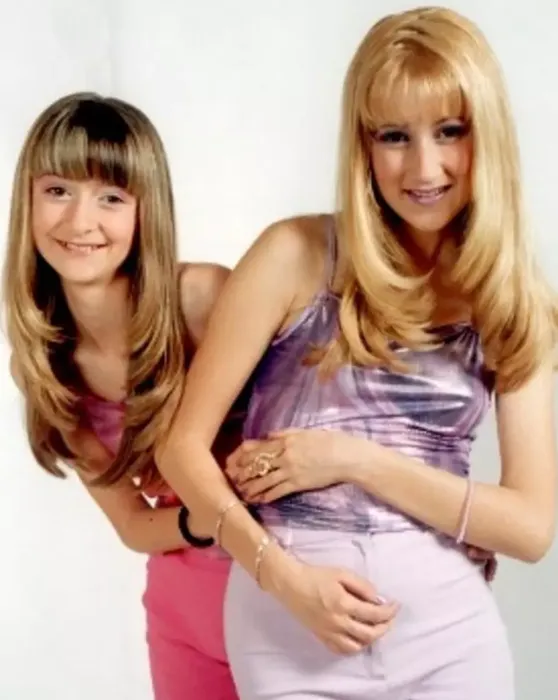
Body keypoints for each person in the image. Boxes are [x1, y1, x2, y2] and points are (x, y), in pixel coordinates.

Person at [156, 6, 557, 700]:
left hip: (450, 643)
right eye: (394, 136)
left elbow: (530, 526)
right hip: (288, 636)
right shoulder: (292, 255)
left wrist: (349, 458)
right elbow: (181, 449)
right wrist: (283, 578)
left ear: (485, 134)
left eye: (450, 131)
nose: (424, 167)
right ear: (363, 145)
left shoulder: (510, 298)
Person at [3, 92, 242, 700]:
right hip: (184, 618)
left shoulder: (203, 299)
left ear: (145, 211)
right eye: (58, 190)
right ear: (27, 201)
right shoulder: (46, 366)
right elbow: (133, 524)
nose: (79, 221)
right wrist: (201, 521)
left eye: (111, 197)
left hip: (284, 596)